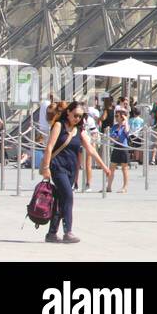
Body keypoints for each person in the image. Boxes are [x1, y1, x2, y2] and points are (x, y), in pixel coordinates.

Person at [40, 101, 111, 243]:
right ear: (68, 112)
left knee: (61, 200)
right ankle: (68, 232)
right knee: (68, 196)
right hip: (57, 167)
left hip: (71, 169)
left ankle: (52, 233)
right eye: (75, 115)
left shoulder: (79, 130)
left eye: (81, 116)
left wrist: (104, 167)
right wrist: (46, 168)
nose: (78, 118)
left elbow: (90, 149)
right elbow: (49, 148)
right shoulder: (59, 126)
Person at [105, 109, 132, 193]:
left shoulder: (126, 125)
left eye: (117, 116)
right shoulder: (115, 126)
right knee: (112, 167)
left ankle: (125, 187)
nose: (116, 118)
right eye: (115, 116)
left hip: (124, 147)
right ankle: (109, 186)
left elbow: (127, 132)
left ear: (122, 117)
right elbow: (113, 136)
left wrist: (126, 121)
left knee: (124, 168)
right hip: (116, 147)